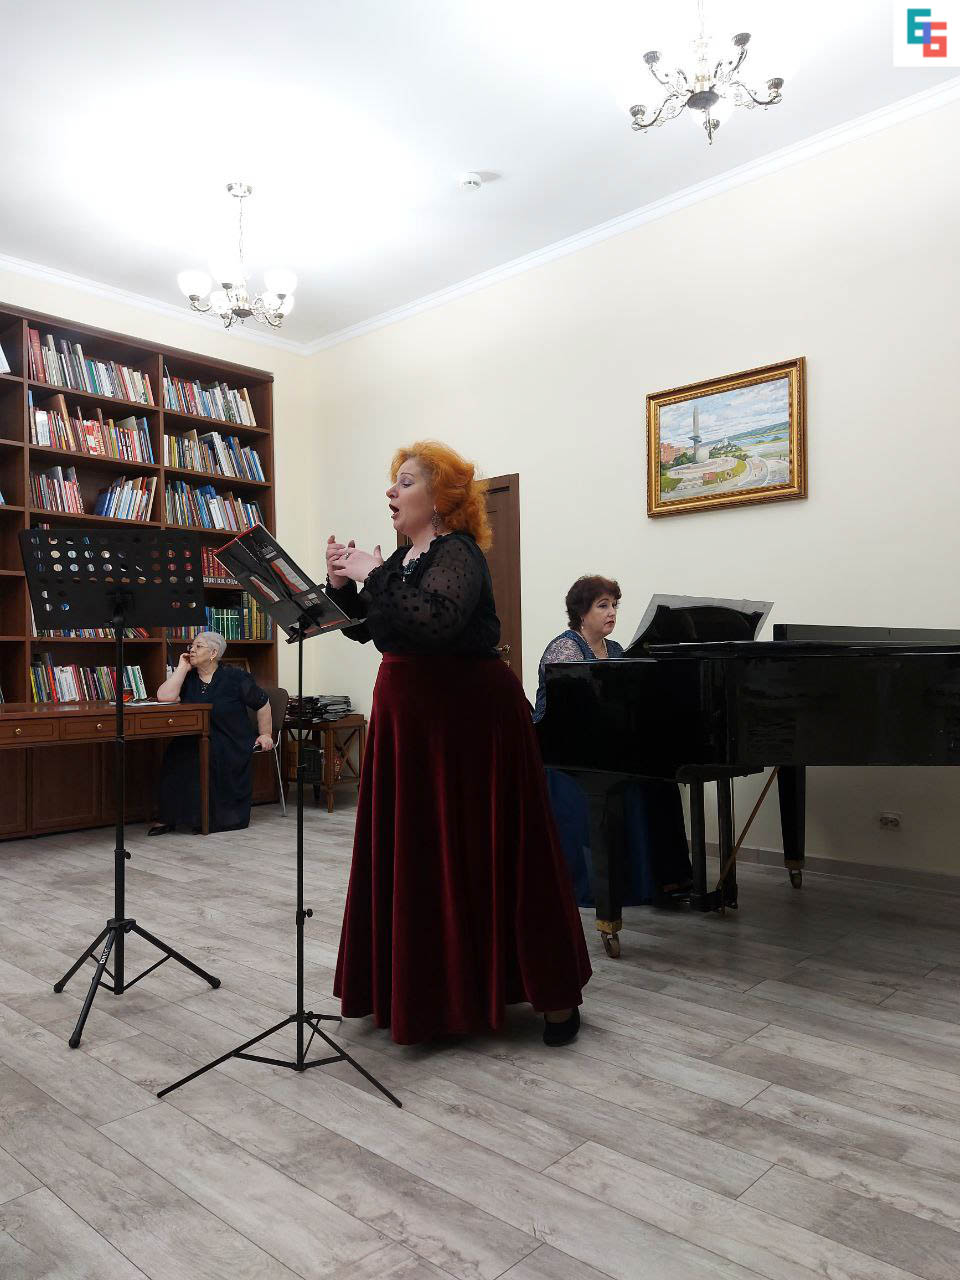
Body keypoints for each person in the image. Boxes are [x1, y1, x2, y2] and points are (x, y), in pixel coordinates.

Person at [325, 440, 590, 1047]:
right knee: (420, 851)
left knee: (488, 848)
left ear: (441, 497)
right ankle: (430, 996)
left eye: (406, 481)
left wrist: (373, 574)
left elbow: (438, 623)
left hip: (469, 723)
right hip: (411, 721)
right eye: (393, 482)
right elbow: (371, 630)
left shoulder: (458, 551)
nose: (391, 491)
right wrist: (342, 585)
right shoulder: (403, 559)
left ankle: (549, 995)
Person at [533, 575, 692, 905]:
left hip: (603, 745)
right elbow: (571, 717)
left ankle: (668, 879)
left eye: (614, 605)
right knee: (622, 780)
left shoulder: (616, 650)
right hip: (564, 751)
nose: (611, 612)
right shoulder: (565, 648)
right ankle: (617, 884)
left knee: (660, 779)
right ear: (581, 612)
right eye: (602, 606)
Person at [149, 630, 273, 835]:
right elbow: (164, 697)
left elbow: (263, 703)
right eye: (191, 646)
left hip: (231, 739)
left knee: (207, 755)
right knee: (175, 754)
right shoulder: (188, 678)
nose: (192, 650)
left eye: (198, 646)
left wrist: (265, 734)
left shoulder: (235, 677)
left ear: (214, 653)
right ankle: (169, 817)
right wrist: (182, 668)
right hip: (196, 736)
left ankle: (206, 819)